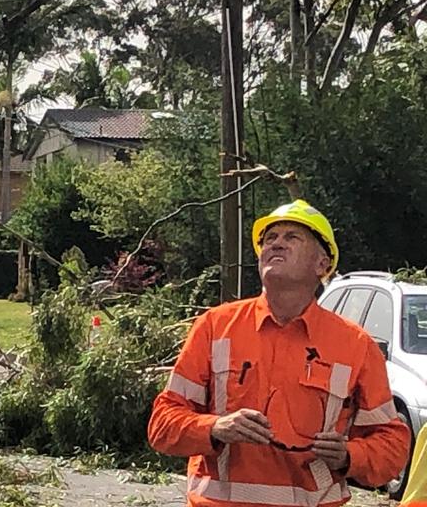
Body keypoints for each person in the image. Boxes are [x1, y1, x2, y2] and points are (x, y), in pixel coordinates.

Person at [148, 199, 409, 506]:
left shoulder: (355, 345)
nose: (276, 244)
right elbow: (162, 425)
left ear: (322, 265)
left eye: (291, 237)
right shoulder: (215, 327)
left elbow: (393, 448)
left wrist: (349, 455)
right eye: (270, 239)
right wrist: (216, 427)